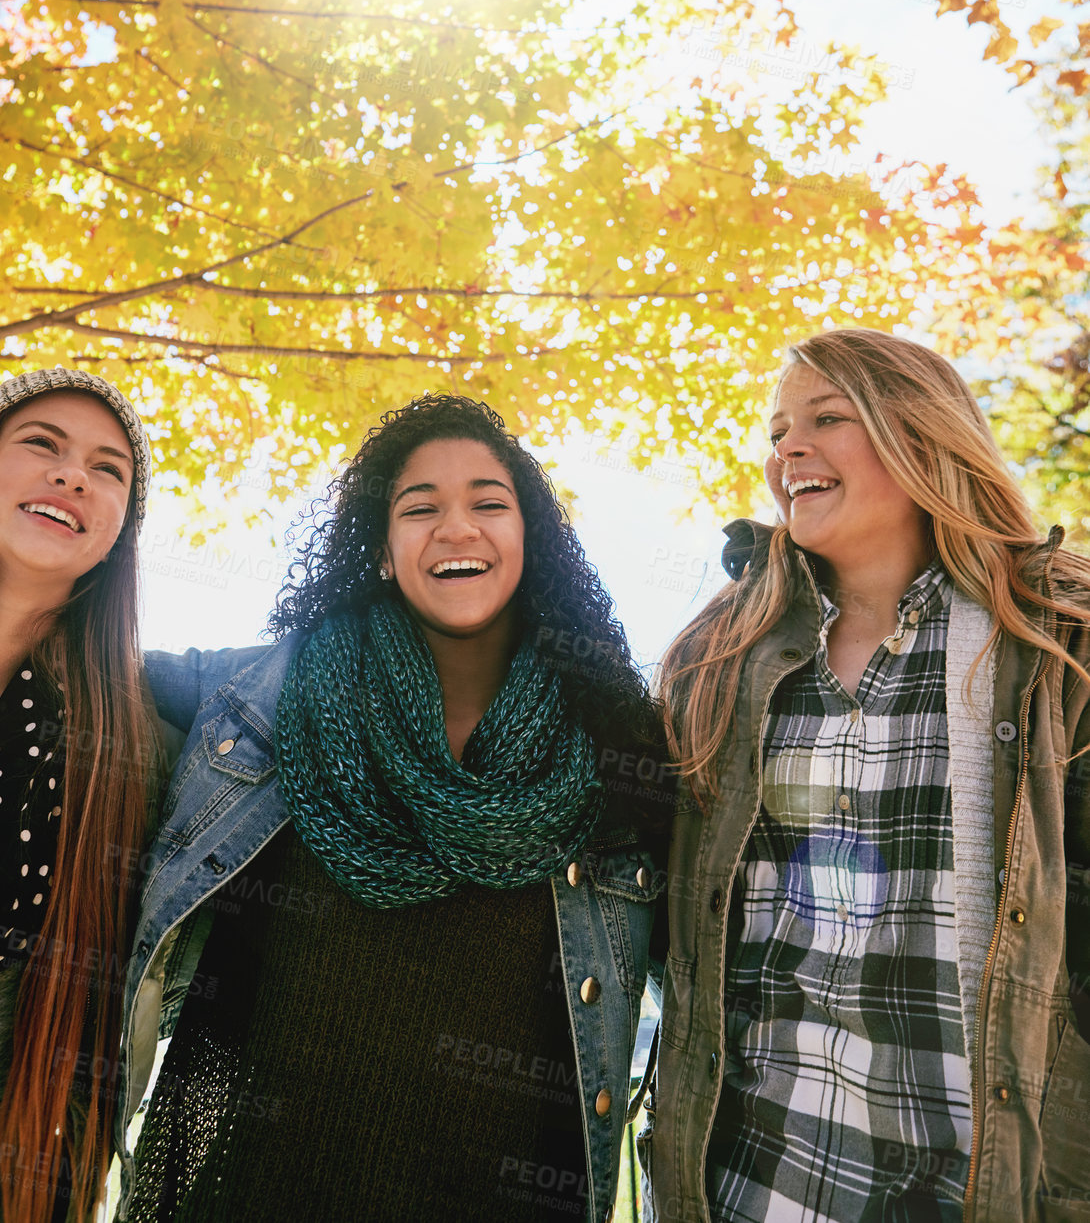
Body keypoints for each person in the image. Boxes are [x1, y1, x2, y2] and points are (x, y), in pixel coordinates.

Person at [116, 393, 671, 1223]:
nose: (457, 528)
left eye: (490, 503)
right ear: (380, 550)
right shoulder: (259, 698)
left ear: (532, 541)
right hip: (259, 1191)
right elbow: (61, 661)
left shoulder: (617, 742)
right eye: (420, 508)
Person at [648, 328, 1090, 1223]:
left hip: (984, 1185)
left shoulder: (1054, 639)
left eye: (825, 417)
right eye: (777, 432)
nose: (786, 450)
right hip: (753, 1185)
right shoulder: (718, 662)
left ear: (922, 436)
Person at [0, 368, 161, 1223]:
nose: (75, 475)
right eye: (42, 444)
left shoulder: (130, 747)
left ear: (116, 534)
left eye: (110, 470)